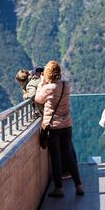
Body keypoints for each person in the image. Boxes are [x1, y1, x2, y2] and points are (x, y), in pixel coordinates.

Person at [35, 60, 84, 198]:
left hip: (53, 126)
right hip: (67, 125)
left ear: (48, 73)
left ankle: (59, 188)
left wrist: (41, 82)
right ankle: (78, 185)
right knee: (68, 155)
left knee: (56, 157)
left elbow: (38, 99)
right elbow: (60, 82)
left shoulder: (48, 88)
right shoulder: (66, 85)